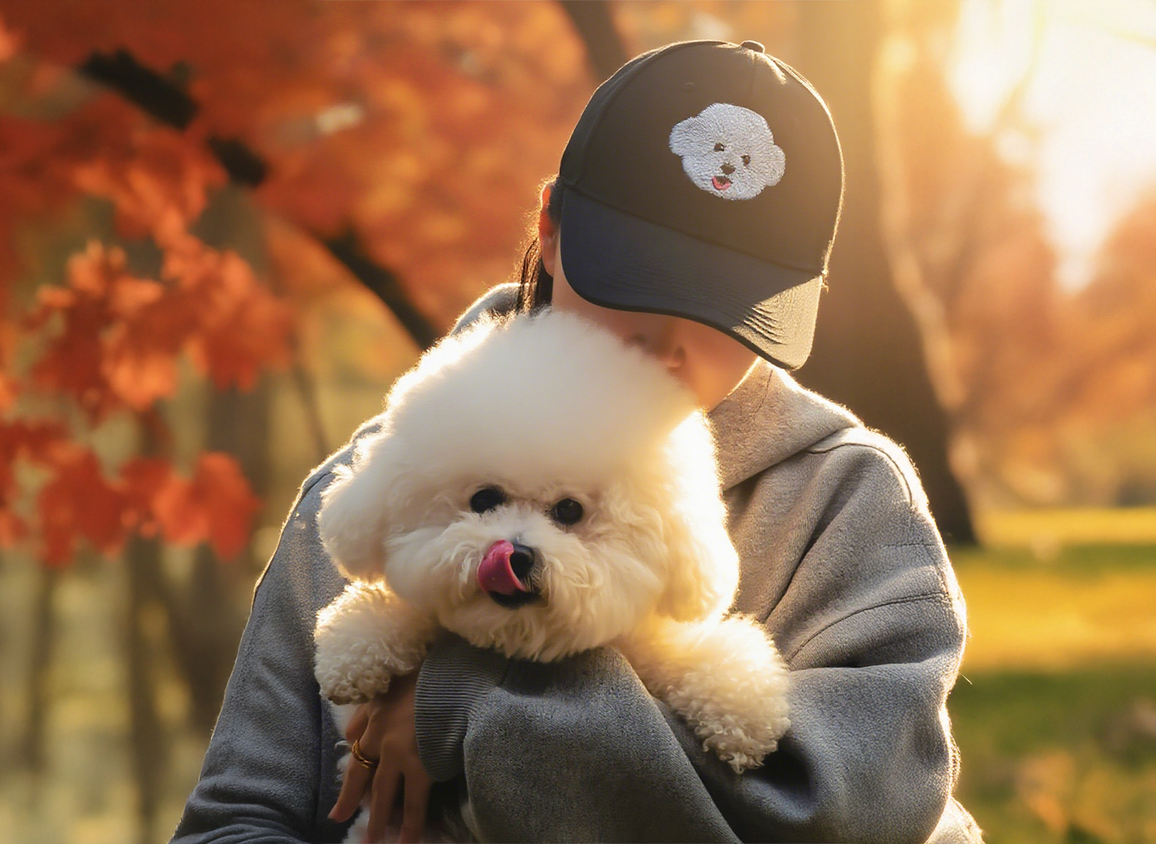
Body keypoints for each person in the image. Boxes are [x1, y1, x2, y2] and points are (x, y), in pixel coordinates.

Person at [172, 39, 982, 844]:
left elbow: (864, 804)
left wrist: (468, 706)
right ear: (551, 229)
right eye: (640, 279)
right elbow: (237, 818)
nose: (671, 342)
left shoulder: (847, 502)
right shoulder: (386, 488)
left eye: (731, 311)